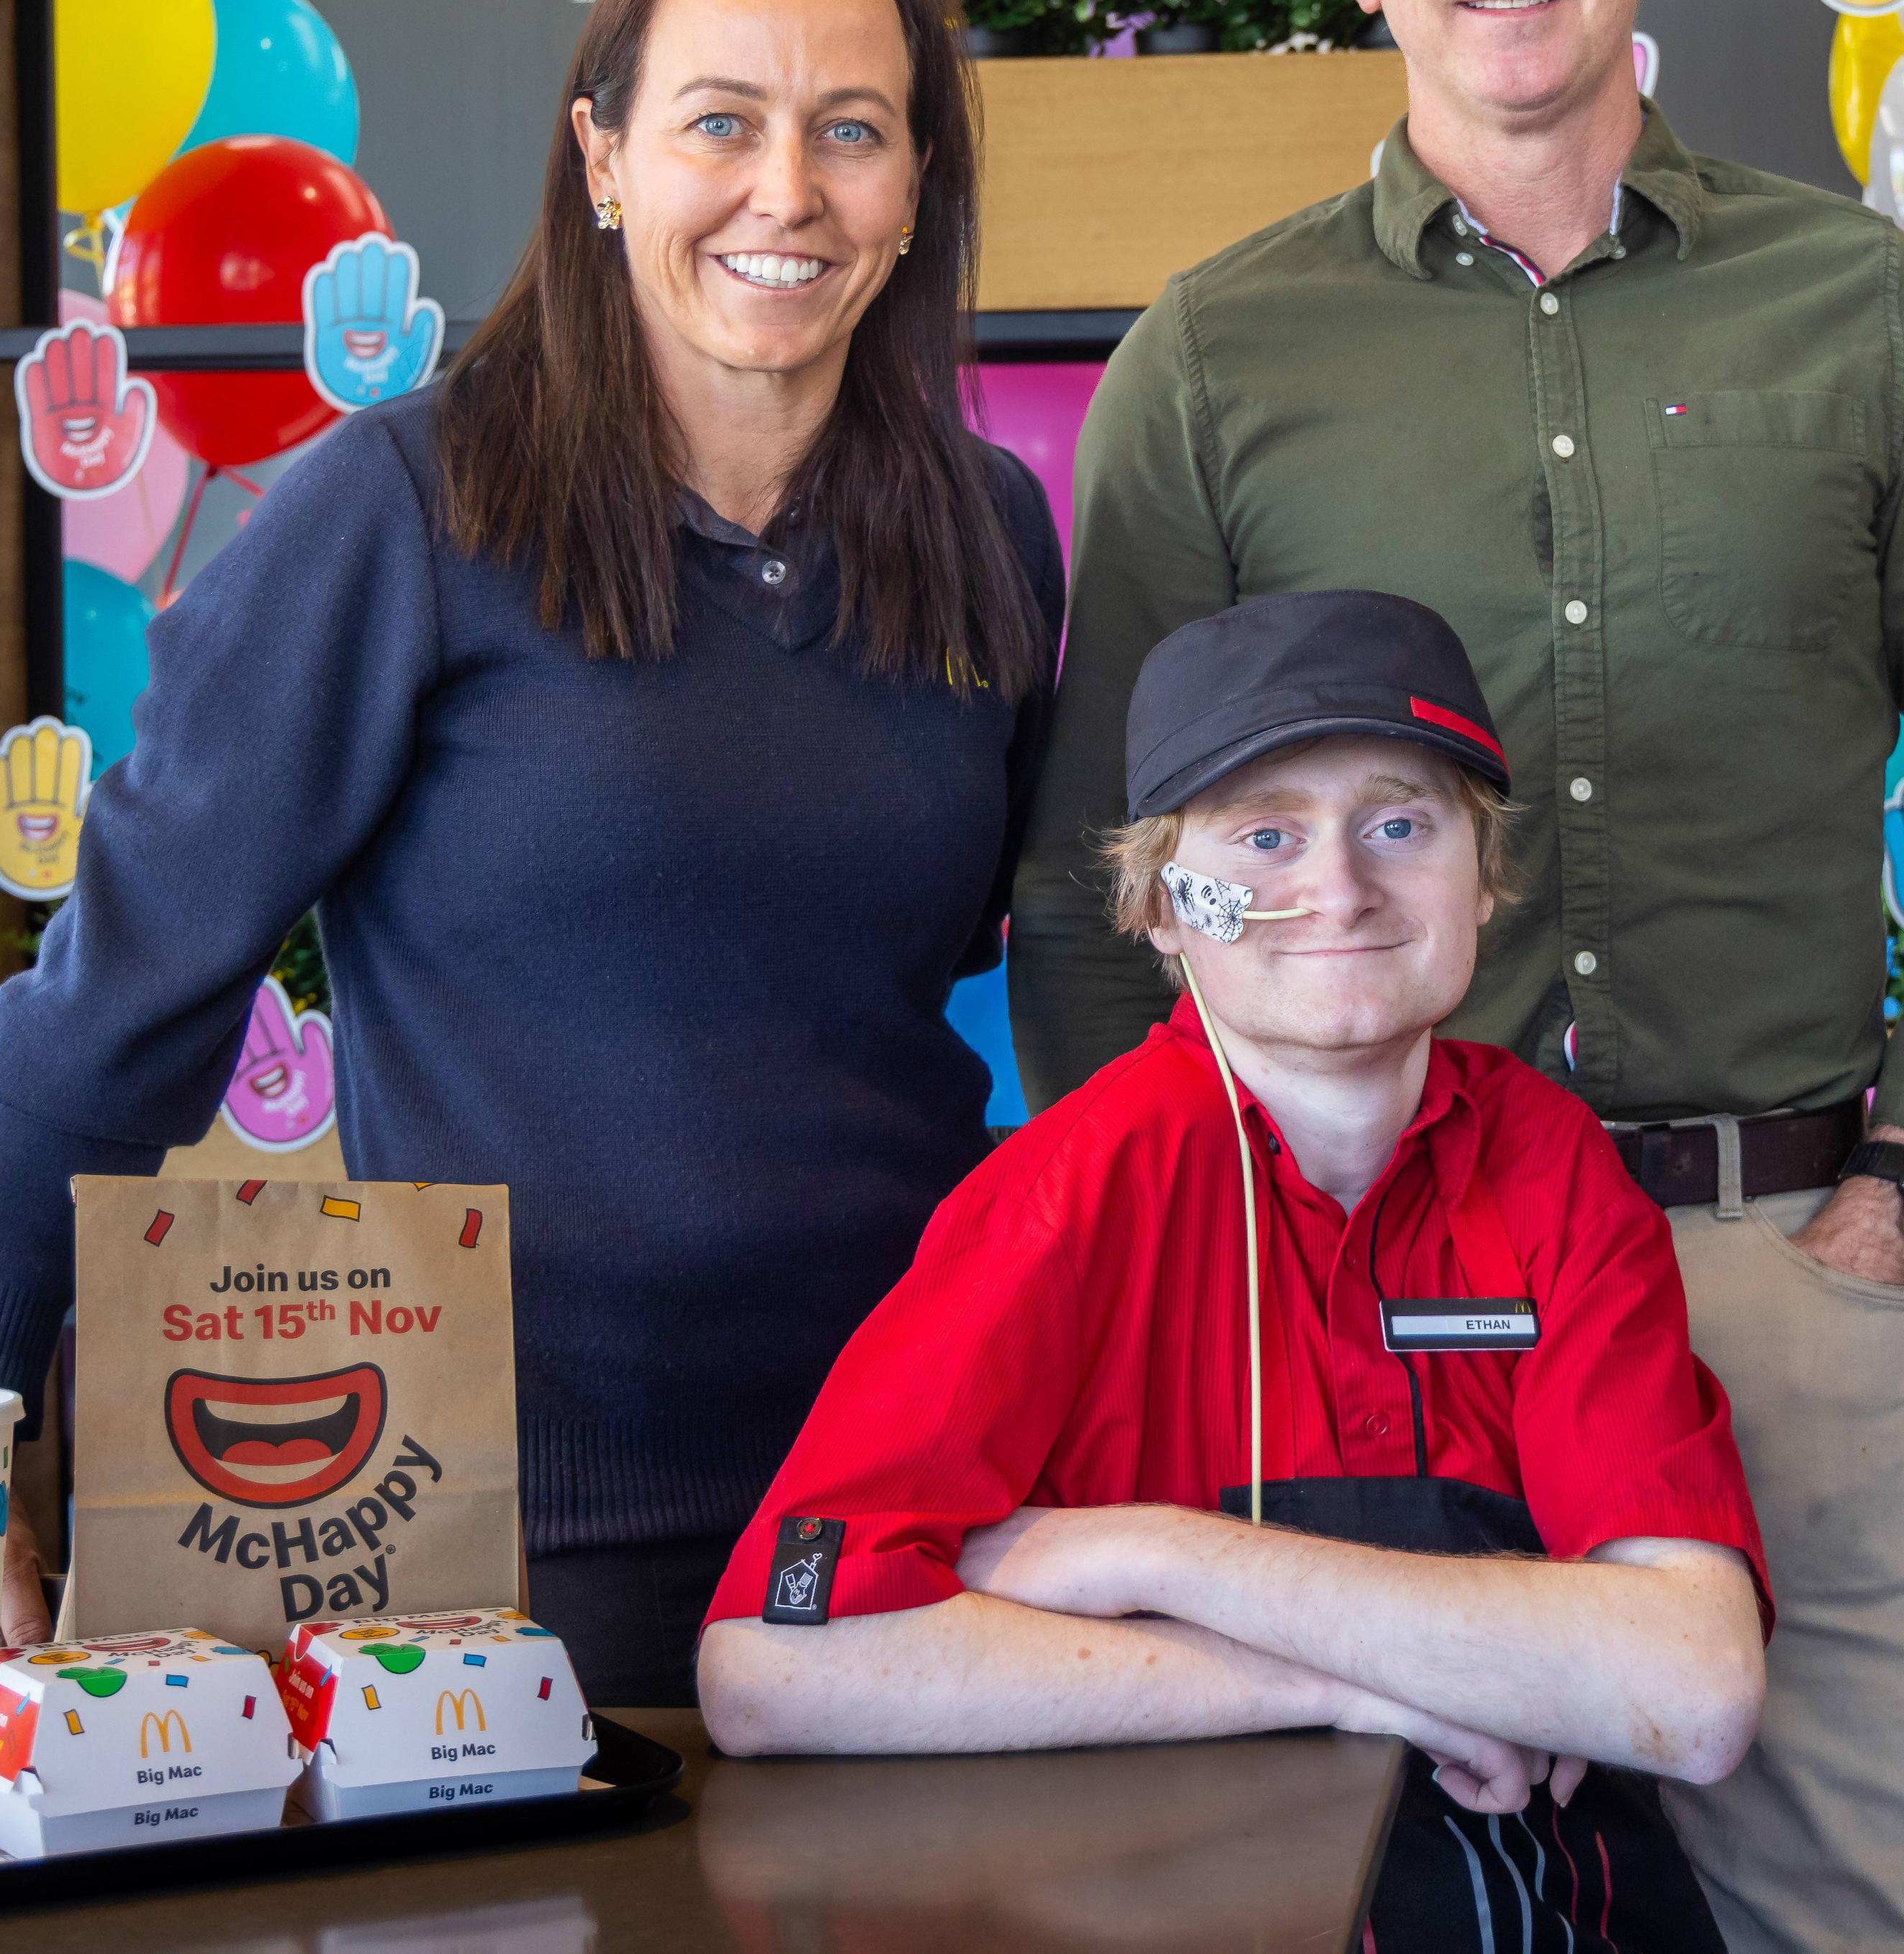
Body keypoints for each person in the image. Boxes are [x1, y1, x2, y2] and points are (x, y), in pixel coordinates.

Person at [1008, 0, 1904, 1954]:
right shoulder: (1215, 364)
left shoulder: (1869, 314)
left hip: (1769, 1253)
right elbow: (1096, 887)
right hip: (1365, 1288)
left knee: (1857, 1914)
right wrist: (1213, 1277)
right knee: (1375, 1895)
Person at [0, 0, 1066, 1702]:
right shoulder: (406, 509)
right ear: (602, 160)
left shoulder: (983, 535)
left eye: (853, 130)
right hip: (514, 1545)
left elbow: (996, 994)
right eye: (720, 123)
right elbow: (111, 1013)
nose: (789, 190)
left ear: (915, 184)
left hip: (911, 1493)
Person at [705, 590, 1768, 1952]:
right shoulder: (1066, 1199)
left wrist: (1146, 1550)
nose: (1338, 886)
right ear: (1160, 904)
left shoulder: (1550, 1164)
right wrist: (1354, 1687)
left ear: (1483, 878)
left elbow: (1695, 1688)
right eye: (1265, 836)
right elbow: (773, 1670)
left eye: (1402, 824)